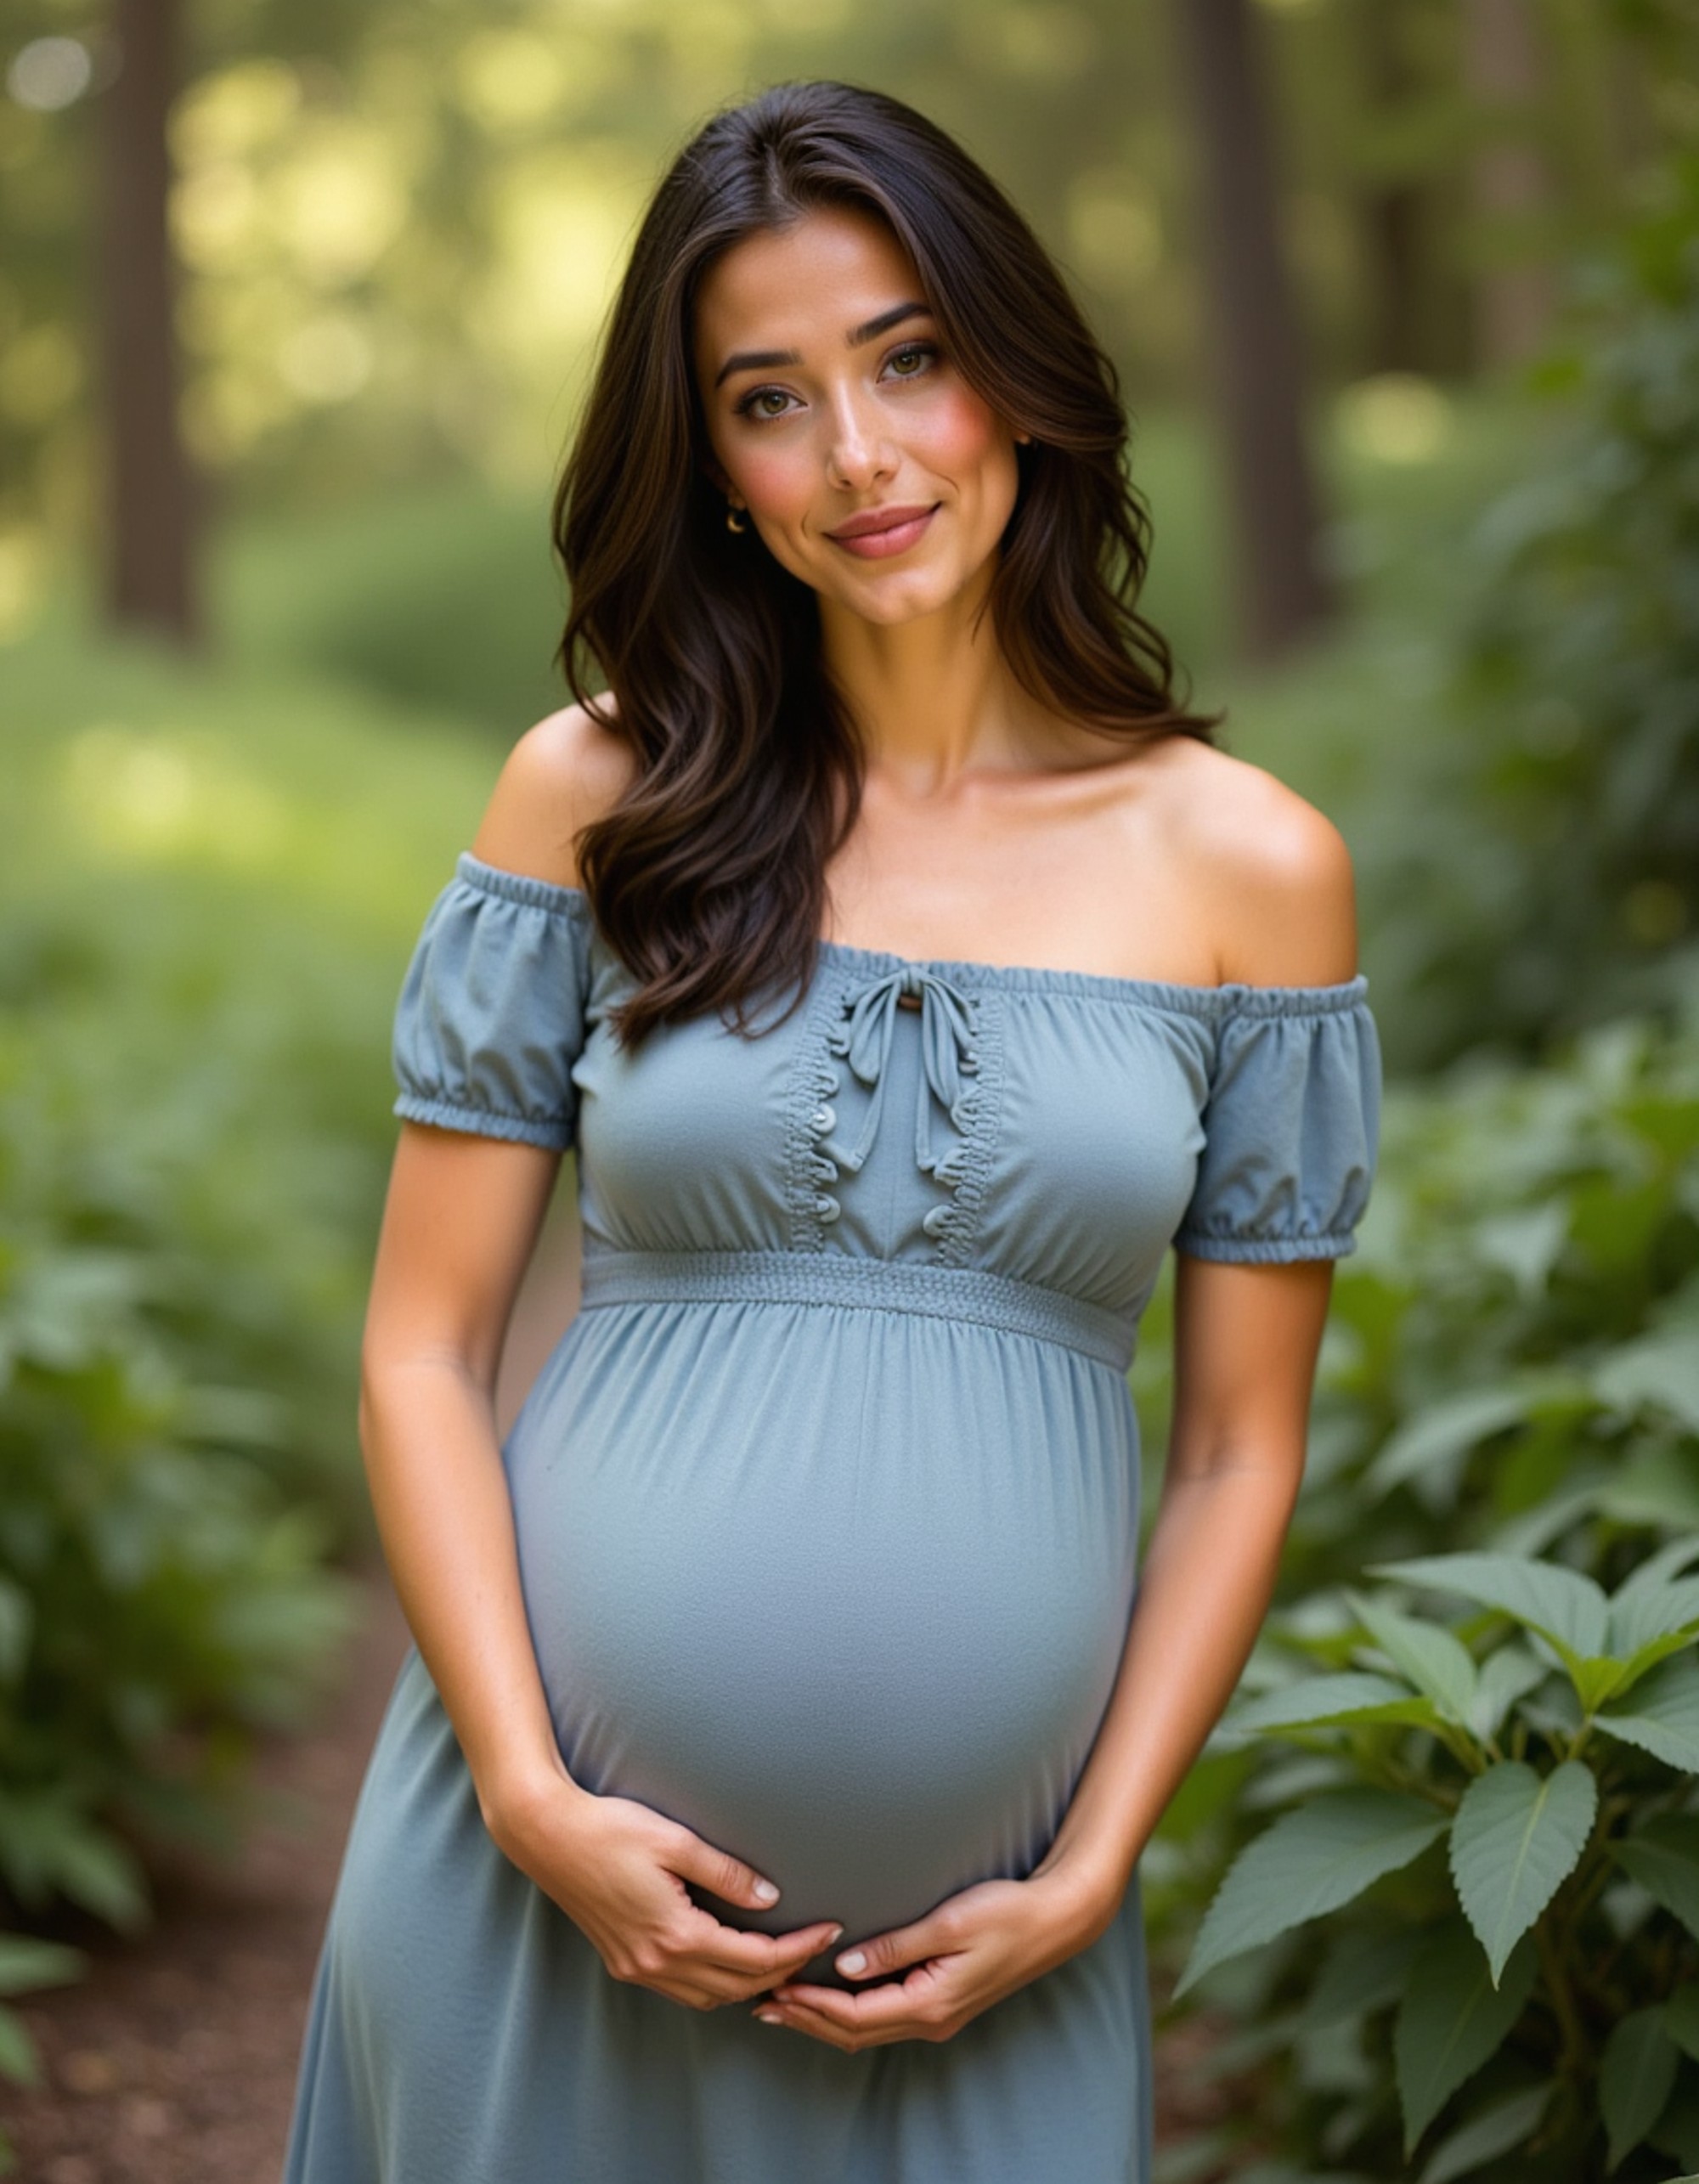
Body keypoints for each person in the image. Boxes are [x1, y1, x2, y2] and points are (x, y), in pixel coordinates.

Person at [282, 78, 1380, 2184]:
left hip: (985, 1953)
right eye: (769, 399)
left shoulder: (1250, 866)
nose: (859, 456)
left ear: (1019, 374)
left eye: (907, 360)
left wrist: (1088, 1872)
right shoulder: (591, 800)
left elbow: (1245, 1443)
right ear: (705, 460)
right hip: (537, 1895)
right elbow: (419, 1348)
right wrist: (526, 1791)